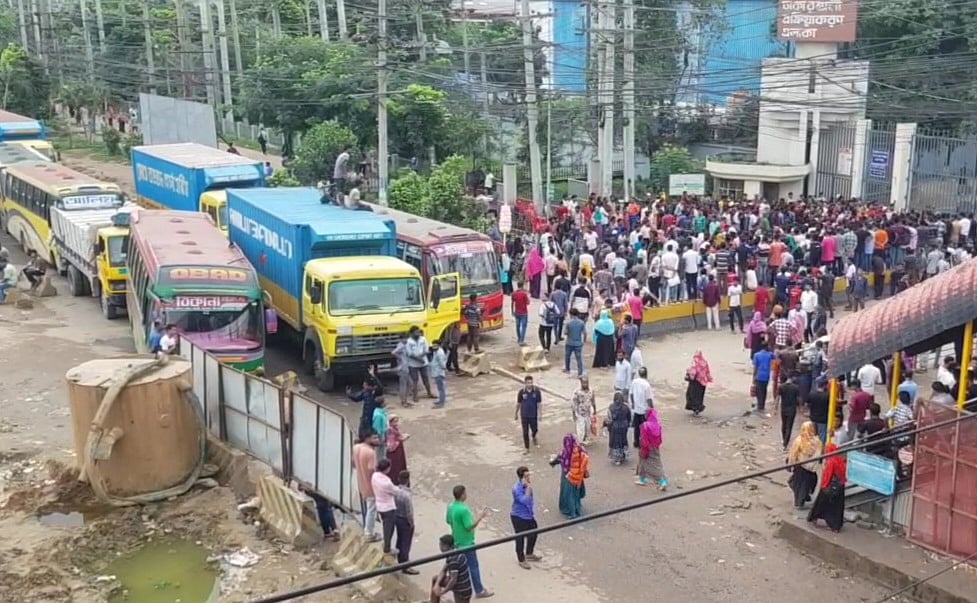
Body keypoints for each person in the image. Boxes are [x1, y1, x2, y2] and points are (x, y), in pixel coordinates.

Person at [445, 485, 493, 598]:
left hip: (456, 540)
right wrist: (480, 516)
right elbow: (469, 526)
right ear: (462, 495)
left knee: (459, 566)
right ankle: (479, 590)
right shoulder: (464, 509)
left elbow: (447, 520)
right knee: (473, 566)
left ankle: (458, 589)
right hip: (466, 542)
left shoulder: (451, 506)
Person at [807, 443, 847, 532]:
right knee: (837, 508)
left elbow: (828, 476)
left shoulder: (831, 461)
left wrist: (823, 486)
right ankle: (836, 526)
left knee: (822, 504)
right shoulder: (840, 460)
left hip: (830, 487)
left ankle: (815, 518)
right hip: (840, 487)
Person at [510, 466, 542, 570]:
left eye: (529, 475)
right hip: (518, 516)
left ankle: (529, 553)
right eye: (526, 476)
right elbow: (523, 500)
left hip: (528, 515)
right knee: (520, 538)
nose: (529, 477)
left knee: (534, 532)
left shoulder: (527, 486)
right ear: (521, 477)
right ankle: (521, 559)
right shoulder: (517, 488)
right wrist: (528, 488)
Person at [787, 421, 823, 509]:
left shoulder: (799, 440)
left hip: (800, 466)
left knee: (797, 484)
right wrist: (813, 465)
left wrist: (790, 463)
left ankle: (799, 501)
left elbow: (793, 453)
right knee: (805, 485)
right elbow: (818, 455)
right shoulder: (818, 442)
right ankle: (803, 497)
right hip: (810, 469)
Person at [352, 431, 380, 541]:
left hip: (360, 482)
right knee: (371, 509)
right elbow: (372, 470)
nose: (377, 440)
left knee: (367, 507)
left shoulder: (356, 447)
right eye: (374, 438)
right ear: (367, 438)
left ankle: (366, 527)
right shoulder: (370, 453)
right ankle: (369, 533)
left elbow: (353, 463)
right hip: (370, 485)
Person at [553, 434, 589, 519]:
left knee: (569, 495)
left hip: (568, 477)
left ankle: (571, 513)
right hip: (578, 476)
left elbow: (559, 459)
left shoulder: (566, 452)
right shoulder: (580, 450)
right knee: (575, 494)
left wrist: (552, 462)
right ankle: (577, 509)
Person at [430, 534, 474, 603]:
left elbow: (453, 580)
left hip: (461, 589)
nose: (440, 547)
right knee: (435, 579)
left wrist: (442, 592)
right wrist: (437, 585)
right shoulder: (453, 552)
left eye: (442, 545)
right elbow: (443, 570)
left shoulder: (453, 559)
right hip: (457, 584)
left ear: (448, 546)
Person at [635, 408, 667, 490]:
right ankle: (642, 479)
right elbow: (660, 439)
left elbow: (644, 439)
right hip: (655, 447)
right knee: (654, 463)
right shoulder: (658, 426)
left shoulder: (645, 426)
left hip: (646, 447)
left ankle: (662, 481)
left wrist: (643, 448)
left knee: (650, 465)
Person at [372, 458, 399, 553]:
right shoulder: (387, 482)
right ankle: (387, 548)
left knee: (386, 526)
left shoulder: (374, 476)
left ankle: (386, 544)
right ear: (387, 469)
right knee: (389, 529)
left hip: (380, 506)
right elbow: (395, 491)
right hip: (388, 508)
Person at [394, 471, 419, 574]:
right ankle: (405, 565)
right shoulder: (407, 495)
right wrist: (412, 523)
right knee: (406, 543)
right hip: (405, 520)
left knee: (399, 540)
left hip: (396, 517)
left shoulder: (395, 490)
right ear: (408, 480)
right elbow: (409, 512)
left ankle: (400, 560)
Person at [628, 366, 652, 449]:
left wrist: (633, 404)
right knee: (644, 428)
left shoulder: (634, 382)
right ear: (646, 374)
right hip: (644, 410)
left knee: (636, 427)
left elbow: (631, 393)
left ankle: (636, 442)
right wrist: (651, 408)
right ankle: (643, 442)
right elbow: (649, 399)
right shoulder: (647, 385)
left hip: (636, 409)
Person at [515, 375, 542, 450]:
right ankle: (527, 448)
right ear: (525, 383)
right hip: (524, 415)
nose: (530, 384)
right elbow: (519, 403)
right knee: (525, 432)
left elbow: (539, 403)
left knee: (535, 429)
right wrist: (516, 413)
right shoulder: (521, 392)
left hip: (533, 415)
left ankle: (534, 436)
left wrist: (540, 414)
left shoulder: (536, 391)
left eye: (531, 382)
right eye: (528, 383)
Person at [606, 391, 632, 465]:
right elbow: (629, 417)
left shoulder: (611, 407)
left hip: (615, 426)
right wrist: (627, 424)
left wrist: (608, 426)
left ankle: (617, 459)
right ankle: (623, 455)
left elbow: (609, 419)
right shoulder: (626, 407)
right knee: (623, 440)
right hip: (624, 426)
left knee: (615, 442)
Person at [684, 350, 712, 416]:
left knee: (692, 395)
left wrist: (689, 376)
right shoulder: (704, 362)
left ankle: (695, 409)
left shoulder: (695, 362)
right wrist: (709, 379)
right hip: (702, 382)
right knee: (699, 396)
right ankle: (698, 409)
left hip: (695, 382)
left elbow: (693, 372)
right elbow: (707, 371)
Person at [570, 376, 597, 444]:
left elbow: (593, 401)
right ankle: (579, 442)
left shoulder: (591, 390)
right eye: (583, 383)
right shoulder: (577, 392)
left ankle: (585, 438)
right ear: (581, 383)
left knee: (587, 427)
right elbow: (573, 404)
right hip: (580, 413)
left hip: (588, 413)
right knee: (580, 429)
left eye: (586, 383)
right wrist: (574, 414)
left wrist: (594, 410)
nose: (585, 384)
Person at [777, 374, 801, 450]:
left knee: (783, 425)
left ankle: (784, 439)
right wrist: (800, 408)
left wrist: (775, 408)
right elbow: (798, 399)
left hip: (783, 408)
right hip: (792, 409)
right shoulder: (796, 388)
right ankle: (785, 443)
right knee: (789, 426)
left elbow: (778, 398)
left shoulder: (781, 387)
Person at [386, 415, 410, 484]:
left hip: (398, 449)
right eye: (394, 421)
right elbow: (391, 444)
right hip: (394, 451)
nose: (396, 423)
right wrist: (402, 439)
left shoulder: (395, 429)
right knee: (396, 466)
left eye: (397, 421)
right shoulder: (390, 431)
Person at [752, 344, 775, 412]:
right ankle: (762, 405)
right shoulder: (770, 354)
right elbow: (775, 357)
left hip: (759, 375)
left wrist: (753, 378)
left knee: (759, 391)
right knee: (764, 390)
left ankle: (760, 406)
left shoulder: (756, 355)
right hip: (766, 376)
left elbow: (755, 368)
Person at [563, 310, 586, 376]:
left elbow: (565, 333)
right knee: (579, 358)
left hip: (569, 342)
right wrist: (583, 341)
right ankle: (580, 372)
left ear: (571, 314)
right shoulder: (581, 322)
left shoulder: (568, 323)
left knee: (567, 356)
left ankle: (567, 369)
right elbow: (585, 333)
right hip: (578, 343)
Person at [430, 341, 448, 408]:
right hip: (436, 372)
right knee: (440, 388)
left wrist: (444, 369)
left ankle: (441, 403)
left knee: (441, 388)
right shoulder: (436, 351)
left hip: (439, 373)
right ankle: (441, 400)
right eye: (433, 345)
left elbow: (442, 364)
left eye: (435, 345)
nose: (434, 347)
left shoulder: (439, 353)